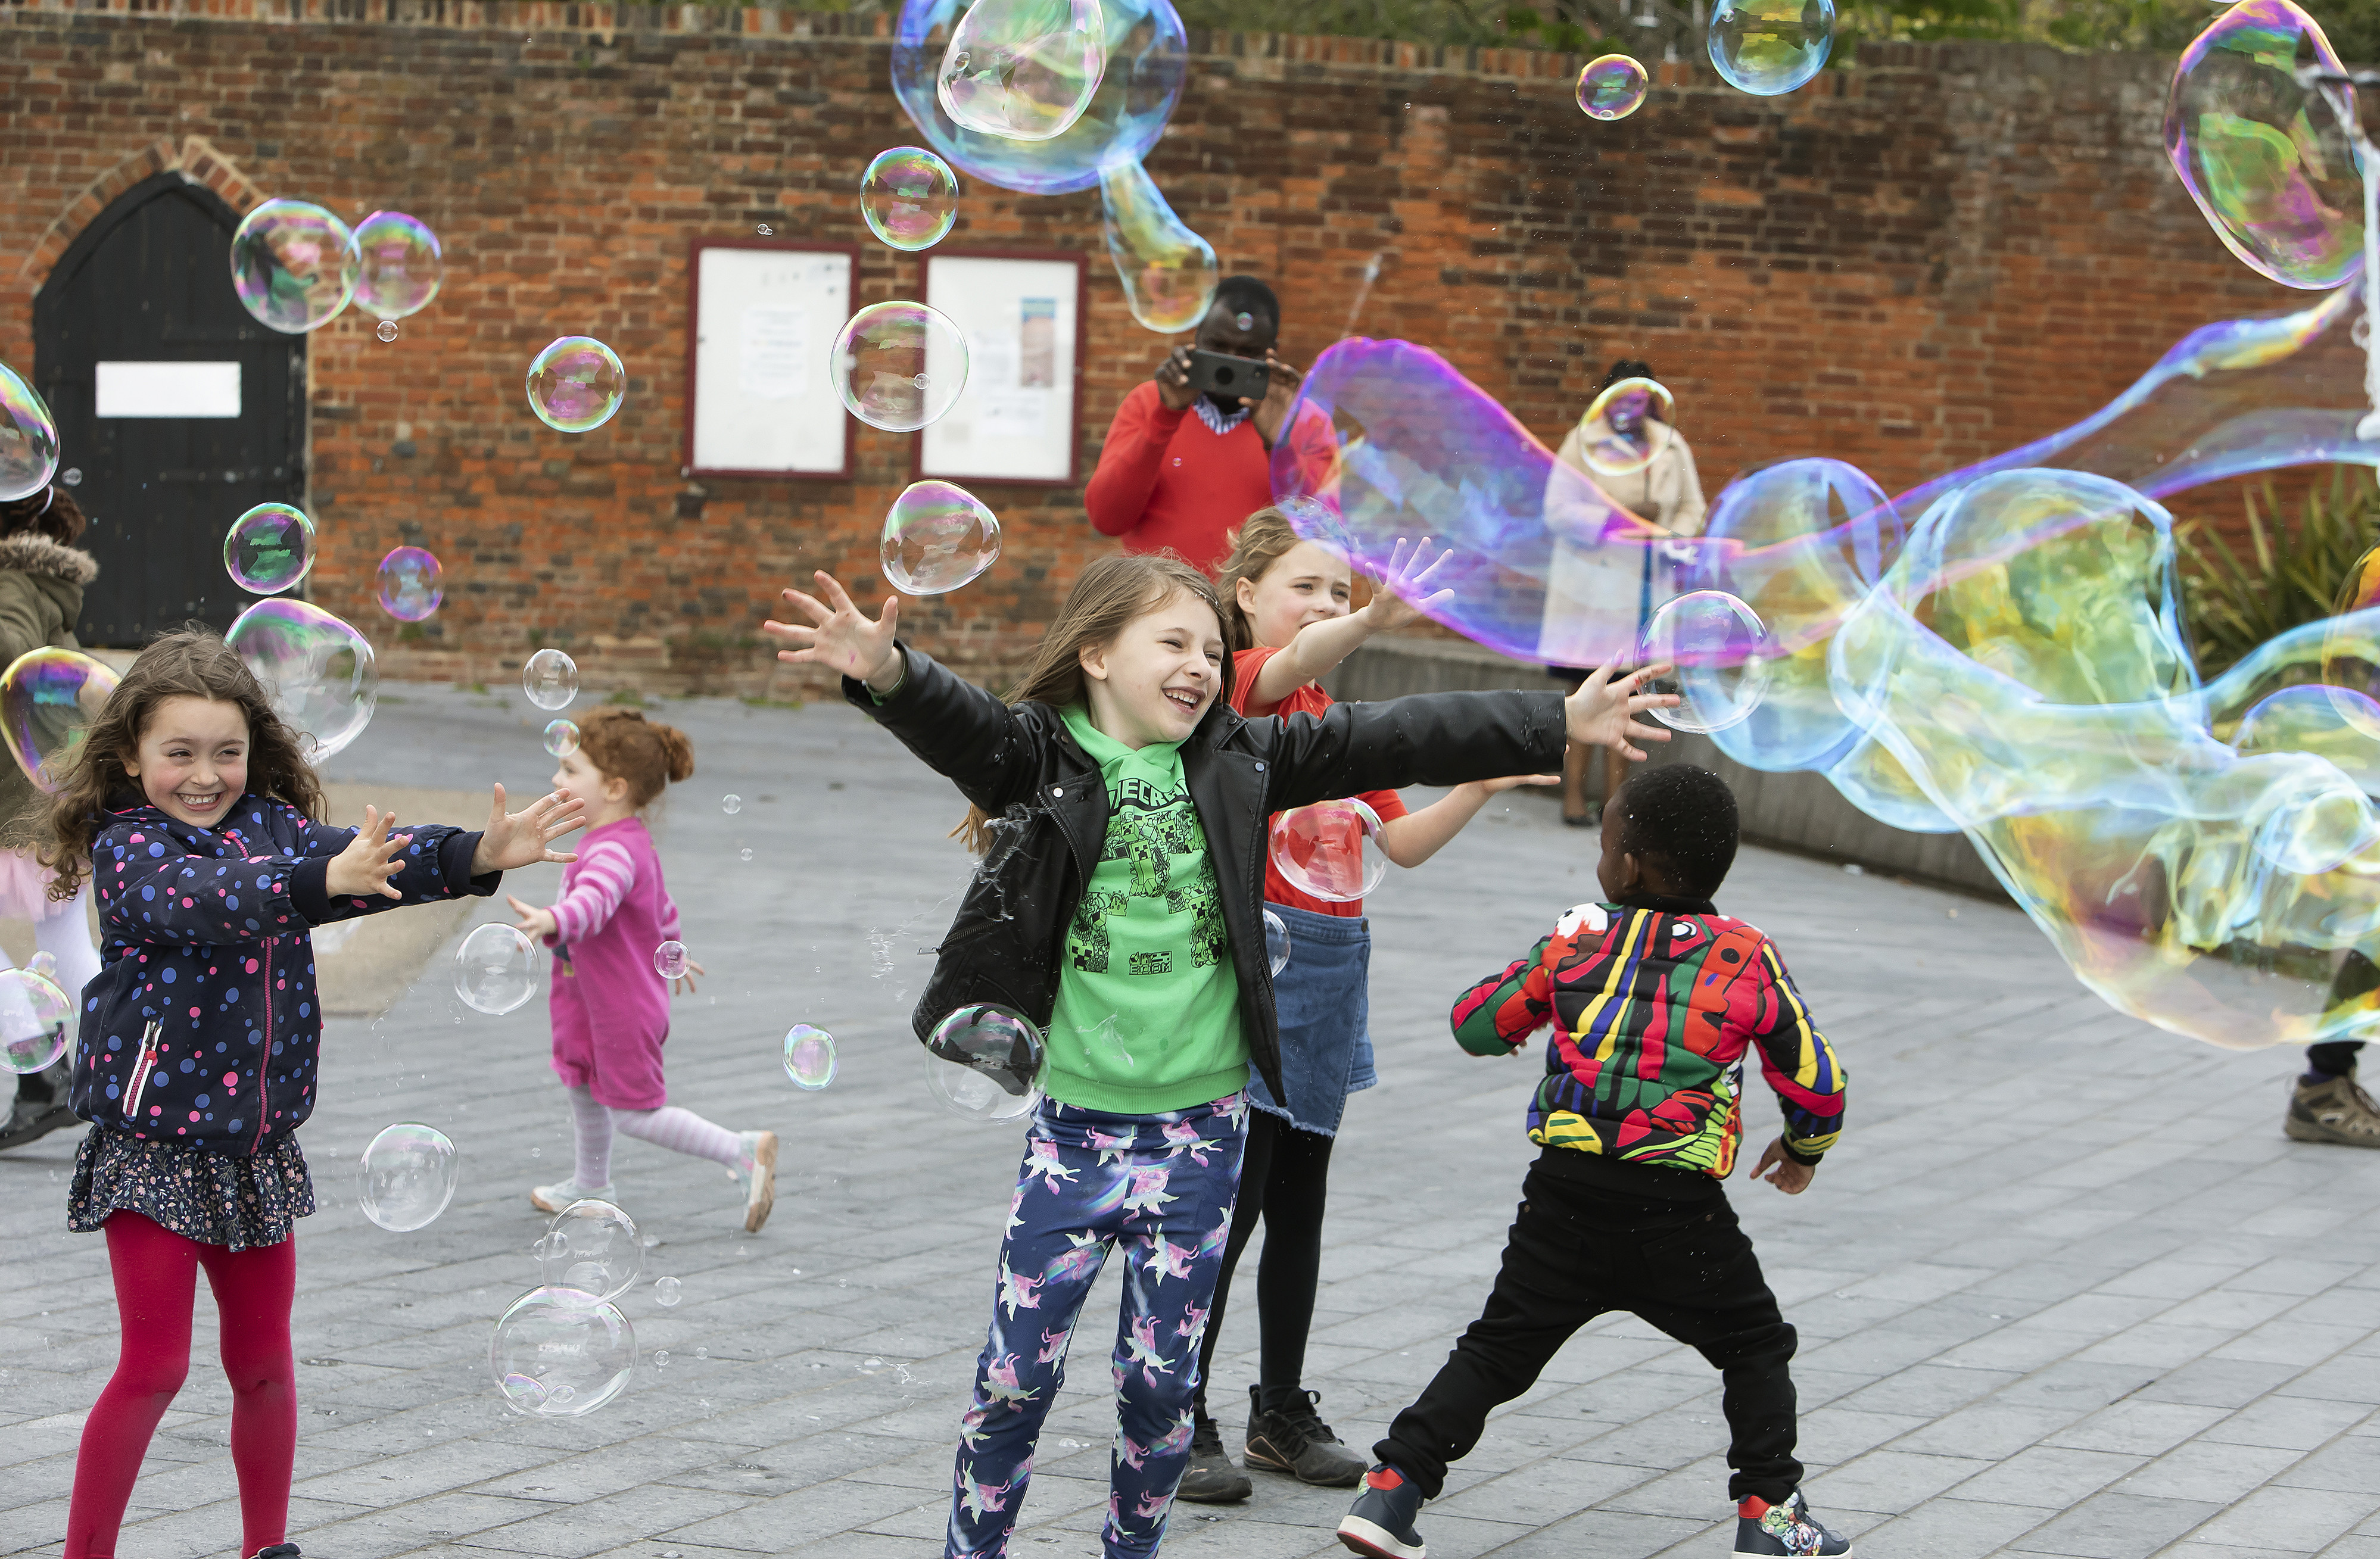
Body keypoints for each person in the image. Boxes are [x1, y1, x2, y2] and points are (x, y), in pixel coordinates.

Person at [761, 553, 1675, 1559]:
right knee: (1014, 1375)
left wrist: (1555, 721)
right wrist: (887, 672)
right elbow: (961, 720)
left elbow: (1393, 731)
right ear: (1097, 652)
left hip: (1202, 1137)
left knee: (1160, 1387)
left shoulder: (1239, 758)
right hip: (1073, 1133)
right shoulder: (1038, 759)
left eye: (1212, 648)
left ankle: (1132, 1550)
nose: (1202, 665)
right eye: (1174, 643)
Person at [40, 626, 584, 1559]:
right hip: (155, 1146)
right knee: (156, 1365)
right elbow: (208, 899)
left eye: (227, 752)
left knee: (262, 1366)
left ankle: (269, 1547)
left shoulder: (277, 828)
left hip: (255, 1146)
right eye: (179, 753)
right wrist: (315, 880)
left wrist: (477, 853)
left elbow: (374, 860)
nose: (205, 774)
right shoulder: (129, 848)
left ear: (255, 749)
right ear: (132, 756)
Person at [1337, 764, 1853, 1559]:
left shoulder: (1577, 938)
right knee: (1754, 1345)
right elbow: (1816, 1079)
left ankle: (1393, 1488)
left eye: (1608, 843)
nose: (1603, 856)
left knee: (1499, 1344)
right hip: (1678, 1212)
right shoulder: (1746, 956)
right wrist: (1803, 1147)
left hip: (1564, 1198)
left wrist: (1530, 1012)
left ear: (1629, 865)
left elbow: (1474, 1022)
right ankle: (1772, 1512)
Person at [1176, 511, 1556, 1503]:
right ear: (1248, 595)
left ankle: (1281, 1411)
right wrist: (1366, 618)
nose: (1330, 606)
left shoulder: (1342, 726)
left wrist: (1479, 783)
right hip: (1253, 973)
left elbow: (1405, 843)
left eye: (1342, 592)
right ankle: (1179, 1412)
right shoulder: (1235, 694)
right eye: (1309, 585)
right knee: (1237, 1202)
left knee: (1301, 1198)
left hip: (1333, 970)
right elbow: (1285, 658)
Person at [506, 707, 781, 1231]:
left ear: (613, 787)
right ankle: (591, 1184)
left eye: (569, 772)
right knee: (582, 1084)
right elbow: (661, 908)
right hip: (588, 1001)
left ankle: (742, 1151)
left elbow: (594, 903)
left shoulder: (613, 852)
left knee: (633, 1111)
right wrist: (672, 950)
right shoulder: (626, 840)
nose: (555, 780)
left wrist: (552, 918)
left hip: (618, 1008)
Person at [1540, 358, 1708, 828]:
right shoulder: (1582, 441)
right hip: (1592, 587)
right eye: (1623, 397)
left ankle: (1616, 802)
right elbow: (1557, 509)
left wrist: (1666, 534)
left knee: (1629, 694)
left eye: (1642, 398)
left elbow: (1693, 505)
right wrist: (1619, 520)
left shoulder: (1671, 447)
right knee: (1583, 691)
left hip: (1643, 584)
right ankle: (1573, 796)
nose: (1633, 407)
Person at [1085, 276, 1338, 572]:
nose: (1229, 363)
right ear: (1197, 338)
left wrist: (1280, 444)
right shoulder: (1149, 402)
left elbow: (1327, 535)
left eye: (1247, 352)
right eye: (1217, 346)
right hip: (1161, 606)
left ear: (1271, 352)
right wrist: (1165, 416)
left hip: (1259, 612)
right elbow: (1107, 518)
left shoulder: (1307, 420)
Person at [0, 482, 106, 1153]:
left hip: (20, 792)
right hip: (48, 783)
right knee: (66, 931)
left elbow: (9, 646)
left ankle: (45, 1070)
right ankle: (116, 1071)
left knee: (66, 931)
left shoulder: (10, 578)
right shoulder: (38, 577)